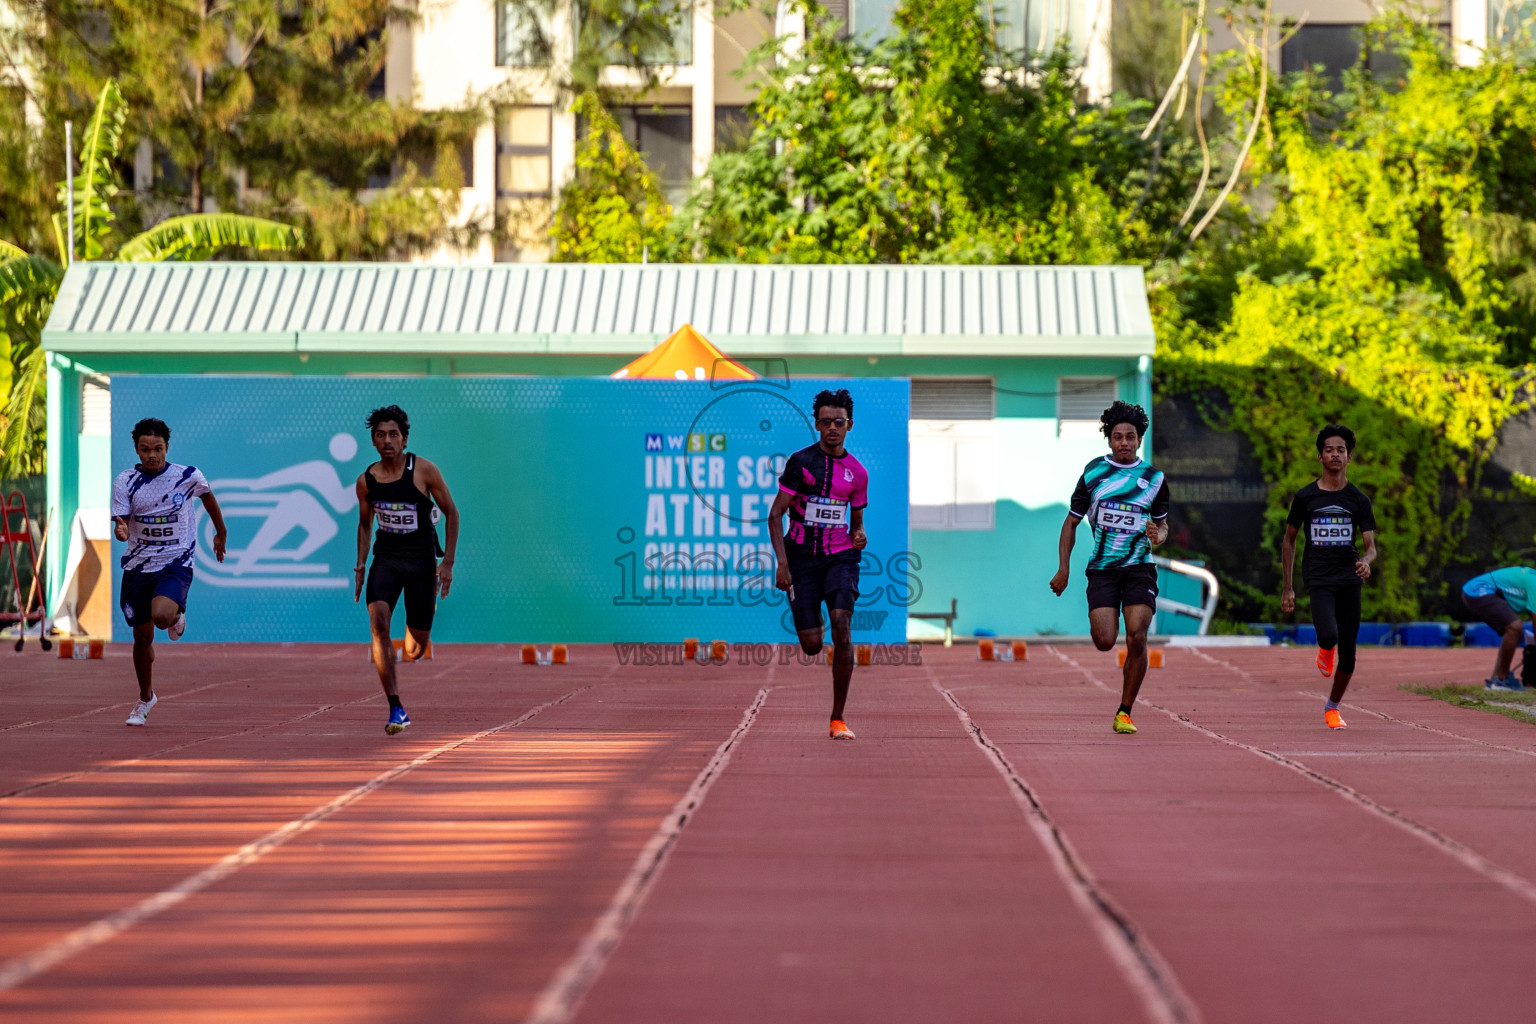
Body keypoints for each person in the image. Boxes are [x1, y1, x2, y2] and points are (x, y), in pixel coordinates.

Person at [1050, 400, 1170, 735]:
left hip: (1138, 568)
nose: (1124, 443)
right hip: (1102, 569)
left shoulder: (1154, 479)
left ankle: (1125, 711)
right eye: (1117, 437)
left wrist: (1156, 535)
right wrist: (1064, 569)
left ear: (1139, 439)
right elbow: (1071, 524)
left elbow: (1162, 528)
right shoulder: (1093, 473)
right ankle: (1111, 640)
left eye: (1130, 437)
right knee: (1105, 640)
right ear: (1109, 440)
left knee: (1137, 635)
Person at [110, 418, 228, 726]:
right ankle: (145, 698)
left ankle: (175, 615)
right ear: (136, 449)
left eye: (158, 449)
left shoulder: (186, 476)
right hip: (138, 567)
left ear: (167, 448)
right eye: (145, 449)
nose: (152, 455)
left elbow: (209, 499)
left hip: (176, 561)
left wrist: (221, 533)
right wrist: (121, 530)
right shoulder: (125, 481)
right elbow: (120, 521)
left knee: (161, 616)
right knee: (142, 639)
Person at [769, 388, 869, 740]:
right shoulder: (801, 462)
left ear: (849, 425)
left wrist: (859, 535)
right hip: (800, 560)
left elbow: (856, 525)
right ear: (816, 424)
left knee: (842, 627)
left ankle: (837, 719)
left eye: (838, 422)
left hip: (840, 557)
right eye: (825, 422)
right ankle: (813, 617)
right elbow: (775, 516)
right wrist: (782, 564)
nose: (831, 428)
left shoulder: (857, 473)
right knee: (812, 646)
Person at [354, 405, 459, 735]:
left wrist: (448, 564)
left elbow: (452, 514)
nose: (388, 440)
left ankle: (424, 614)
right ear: (373, 441)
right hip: (386, 559)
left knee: (414, 650)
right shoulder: (366, 481)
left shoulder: (423, 471)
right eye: (381, 435)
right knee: (379, 623)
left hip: (421, 562)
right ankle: (395, 707)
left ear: (404, 439)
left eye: (394, 435)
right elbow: (364, 525)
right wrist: (360, 565)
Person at [1281, 424, 1378, 729]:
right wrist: (1288, 587)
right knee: (1329, 636)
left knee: (1349, 655)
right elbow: (1289, 540)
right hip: (1319, 576)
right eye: (1329, 449)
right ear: (1320, 456)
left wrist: (1366, 560)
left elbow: (1371, 547)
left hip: (1349, 578)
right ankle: (1325, 649)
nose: (1335, 454)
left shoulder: (1359, 500)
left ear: (1349, 457)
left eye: (1341, 450)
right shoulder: (1306, 497)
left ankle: (1332, 707)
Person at [1459, 566, 1536, 691]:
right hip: (1478, 590)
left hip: (1478, 590)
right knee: (1515, 627)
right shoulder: (1535, 584)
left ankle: (1496, 680)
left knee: (1513, 629)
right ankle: (1501, 680)